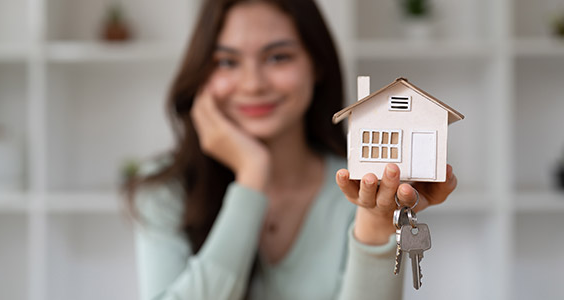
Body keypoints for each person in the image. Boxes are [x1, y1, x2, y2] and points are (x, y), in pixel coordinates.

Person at [127, 0, 458, 299]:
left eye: (278, 57)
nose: (253, 83)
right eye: (227, 62)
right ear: (202, 76)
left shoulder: (359, 189)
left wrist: (375, 220)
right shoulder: (165, 189)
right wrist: (252, 176)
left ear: (316, 66)